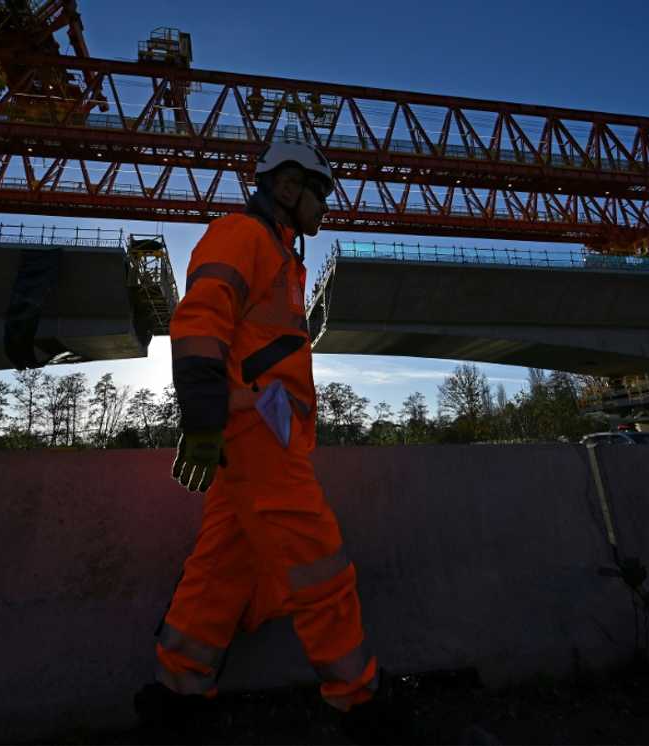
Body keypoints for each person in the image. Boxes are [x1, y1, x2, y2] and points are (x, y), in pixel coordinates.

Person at [133, 141, 413, 744]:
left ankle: (176, 694)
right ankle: (360, 701)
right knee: (319, 562)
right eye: (321, 193)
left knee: (224, 565)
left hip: (259, 431)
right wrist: (203, 419)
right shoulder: (242, 236)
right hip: (255, 431)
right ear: (288, 186)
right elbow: (199, 322)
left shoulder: (280, 254)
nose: (326, 208)